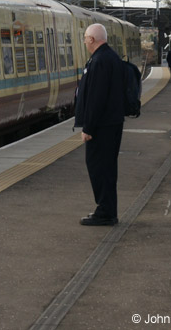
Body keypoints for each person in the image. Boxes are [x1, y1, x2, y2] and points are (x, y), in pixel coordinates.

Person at [74, 23, 124, 226]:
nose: (85, 42)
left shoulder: (100, 60)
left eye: (86, 38)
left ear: (92, 39)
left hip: (102, 128)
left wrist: (88, 128)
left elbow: (96, 98)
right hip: (109, 125)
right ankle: (106, 210)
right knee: (106, 169)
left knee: (99, 168)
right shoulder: (109, 57)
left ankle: (105, 212)